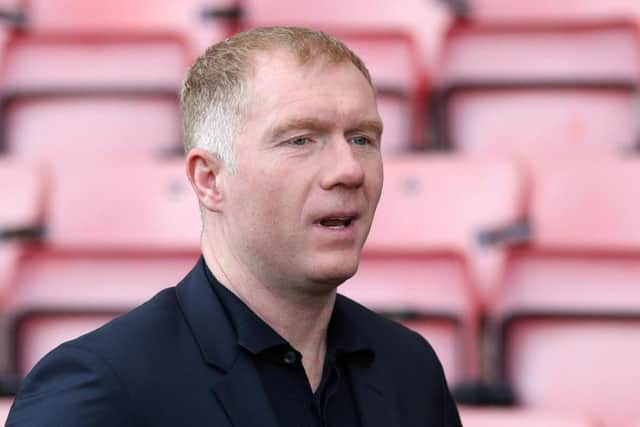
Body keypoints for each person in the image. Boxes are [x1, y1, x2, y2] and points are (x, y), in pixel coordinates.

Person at [7, 26, 462, 426]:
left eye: (362, 138)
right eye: (301, 140)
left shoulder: (410, 369)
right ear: (209, 179)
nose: (349, 169)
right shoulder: (99, 388)